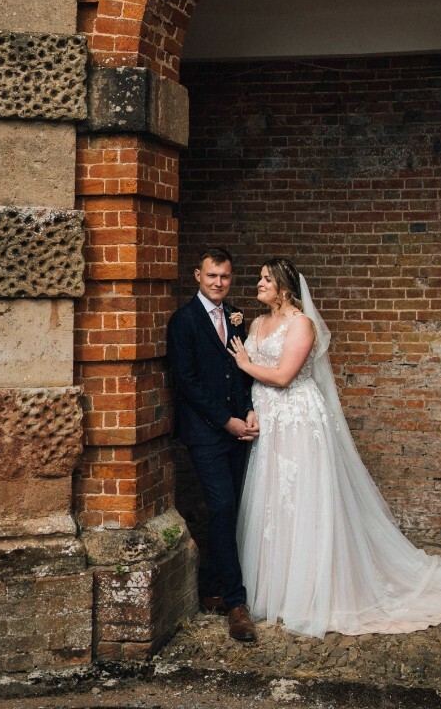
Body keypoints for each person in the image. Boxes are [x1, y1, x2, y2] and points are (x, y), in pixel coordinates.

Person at [228, 257, 441, 638]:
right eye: (259, 278)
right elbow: (250, 374)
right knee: (273, 500)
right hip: (270, 421)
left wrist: (245, 363)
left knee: (301, 499)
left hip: (298, 420)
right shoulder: (255, 324)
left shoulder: (302, 325)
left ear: (284, 287)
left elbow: (283, 376)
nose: (258, 283)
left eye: (266, 279)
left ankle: (309, 594)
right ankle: (274, 590)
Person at [167, 247, 259, 642]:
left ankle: (218, 589)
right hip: (206, 433)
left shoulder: (236, 317)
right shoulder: (183, 320)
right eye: (211, 276)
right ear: (197, 276)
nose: (218, 283)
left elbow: (241, 372)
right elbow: (186, 380)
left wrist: (249, 409)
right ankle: (237, 605)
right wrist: (226, 421)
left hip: (239, 431)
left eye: (224, 276)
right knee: (221, 507)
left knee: (232, 510)